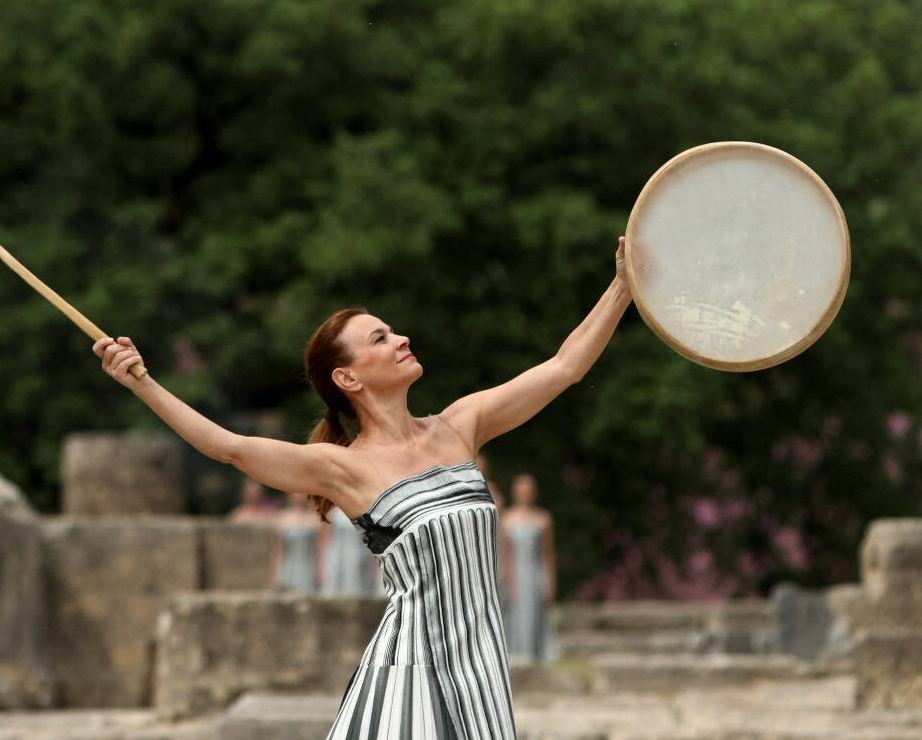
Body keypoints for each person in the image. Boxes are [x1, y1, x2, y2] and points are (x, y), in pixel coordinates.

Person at [92, 235, 637, 739]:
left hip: (483, 665)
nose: (401, 338)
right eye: (380, 337)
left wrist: (622, 287)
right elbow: (226, 446)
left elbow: (565, 366)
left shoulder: (460, 425)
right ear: (348, 378)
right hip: (412, 672)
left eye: (392, 330)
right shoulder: (342, 468)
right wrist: (142, 382)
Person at [499, 473, 556, 663]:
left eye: (528, 491)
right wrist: (507, 577)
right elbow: (504, 553)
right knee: (514, 613)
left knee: (535, 612)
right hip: (515, 572)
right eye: (522, 491)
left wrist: (550, 581)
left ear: (534, 493)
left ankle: (537, 653)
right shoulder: (506, 519)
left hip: (534, 572)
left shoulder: (544, 519)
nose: (525, 494)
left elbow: (548, 554)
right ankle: (515, 653)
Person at [274, 488, 322, 593]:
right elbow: (279, 550)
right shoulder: (282, 518)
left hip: (308, 569)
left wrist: (319, 571)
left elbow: (318, 549)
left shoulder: (315, 518)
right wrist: (277, 575)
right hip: (289, 569)